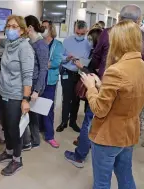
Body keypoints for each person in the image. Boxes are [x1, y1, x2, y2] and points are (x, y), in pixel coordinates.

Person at [81, 20, 144, 189]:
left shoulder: (116, 70)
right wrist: (102, 86)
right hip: (129, 133)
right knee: (125, 176)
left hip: (108, 136)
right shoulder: (140, 65)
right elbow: (125, 94)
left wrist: (91, 88)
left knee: (102, 182)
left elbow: (99, 110)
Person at [0, 15, 34, 176]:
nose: (10, 29)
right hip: (2, 93)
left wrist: (26, 99)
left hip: (16, 96)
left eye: (14, 27)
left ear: (22, 30)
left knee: (15, 130)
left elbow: (28, 76)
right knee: (5, 127)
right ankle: (8, 152)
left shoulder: (25, 48)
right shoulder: (8, 43)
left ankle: (17, 159)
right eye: (8, 26)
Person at [64, 27, 103, 167]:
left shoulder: (102, 55)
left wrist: (81, 67)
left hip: (96, 91)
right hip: (94, 90)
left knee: (88, 122)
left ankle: (79, 156)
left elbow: (93, 74)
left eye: (90, 38)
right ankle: (84, 141)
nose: (88, 41)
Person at [56, 20, 92, 133]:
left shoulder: (88, 44)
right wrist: (67, 58)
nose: (80, 36)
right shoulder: (66, 41)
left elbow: (89, 61)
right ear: (74, 30)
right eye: (78, 33)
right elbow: (59, 57)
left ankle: (73, 121)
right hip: (67, 72)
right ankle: (63, 122)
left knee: (76, 100)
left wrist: (82, 63)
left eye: (82, 34)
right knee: (66, 98)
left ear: (86, 31)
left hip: (79, 74)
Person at [22, 15, 48, 151]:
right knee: (29, 113)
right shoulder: (29, 42)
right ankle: (30, 139)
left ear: (30, 28)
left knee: (32, 114)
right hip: (29, 83)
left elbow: (43, 69)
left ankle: (35, 140)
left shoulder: (41, 45)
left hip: (35, 85)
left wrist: (37, 91)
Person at [39, 20, 63, 148]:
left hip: (50, 81)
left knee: (48, 108)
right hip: (38, 80)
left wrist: (41, 65)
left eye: (45, 27)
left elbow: (55, 62)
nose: (43, 29)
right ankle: (39, 130)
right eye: (41, 27)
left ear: (51, 29)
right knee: (37, 106)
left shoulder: (57, 45)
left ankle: (49, 136)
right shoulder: (39, 42)